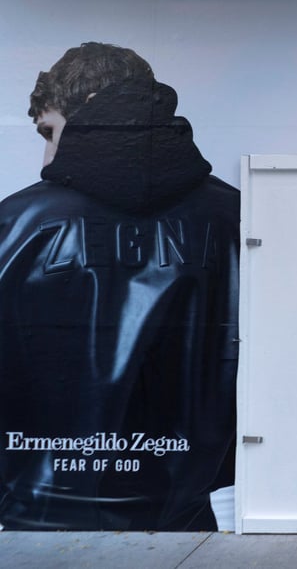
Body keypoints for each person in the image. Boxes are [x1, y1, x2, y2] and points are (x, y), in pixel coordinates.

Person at [0, 42, 239, 530]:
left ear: (93, 111)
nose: (48, 158)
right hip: (195, 517)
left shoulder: (15, 224)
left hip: (36, 518)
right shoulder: (241, 218)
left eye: (51, 133)